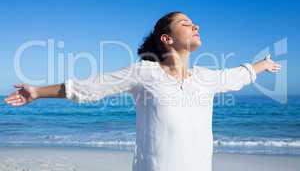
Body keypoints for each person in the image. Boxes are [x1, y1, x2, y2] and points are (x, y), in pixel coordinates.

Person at [4, 11, 281, 171]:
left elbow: (237, 76)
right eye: (186, 23)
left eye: (195, 23)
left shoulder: (206, 78)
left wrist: (263, 64)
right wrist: (38, 92)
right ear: (167, 38)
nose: (195, 26)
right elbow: (90, 87)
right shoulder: (145, 73)